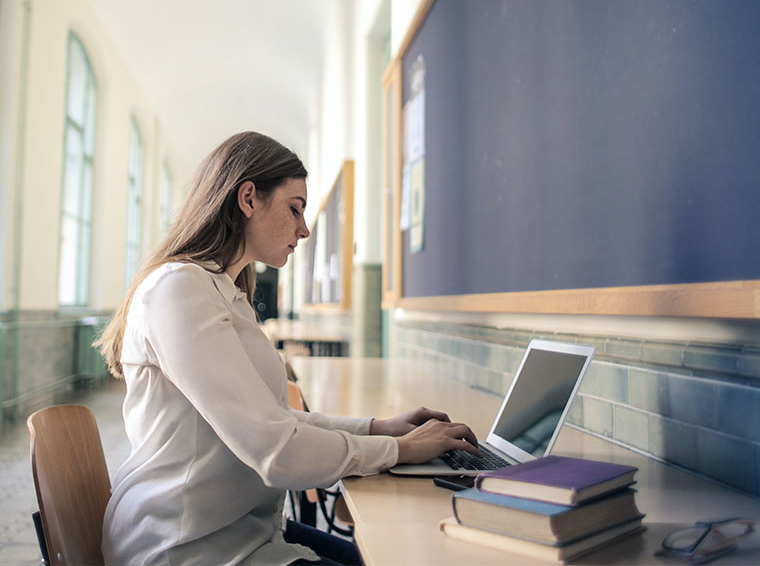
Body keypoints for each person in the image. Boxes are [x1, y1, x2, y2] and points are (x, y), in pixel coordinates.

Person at [95, 131, 480, 566]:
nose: (305, 228)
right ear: (248, 199)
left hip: (238, 530)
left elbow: (270, 419)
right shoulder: (178, 290)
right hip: (183, 546)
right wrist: (402, 451)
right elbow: (275, 450)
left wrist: (378, 428)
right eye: (294, 208)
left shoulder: (225, 293)